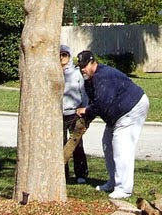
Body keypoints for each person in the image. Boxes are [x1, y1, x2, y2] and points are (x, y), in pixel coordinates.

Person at [75, 50, 149, 199]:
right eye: (80, 66)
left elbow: (102, 104)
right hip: (117, 114)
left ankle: (124, 189)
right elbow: (95, 101)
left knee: (121, 146)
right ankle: (114, 181)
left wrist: (87, 111)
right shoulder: (90, 79)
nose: (83, 69)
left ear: (93, 62)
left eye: (85, 65)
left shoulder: (103, 76)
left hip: (132, 108)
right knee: (107, 144)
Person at [60, 44, 89, 183]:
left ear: (69, 56)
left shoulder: (76, 73)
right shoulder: (54, 72)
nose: (62, 58)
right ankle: (62, 174)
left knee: (77, 144)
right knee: (60, 144)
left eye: (64, 55)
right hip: (58, 114)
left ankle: (81, 174)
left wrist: (84, 108)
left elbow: (83, 92)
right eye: (59, 55)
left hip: (74, 113)